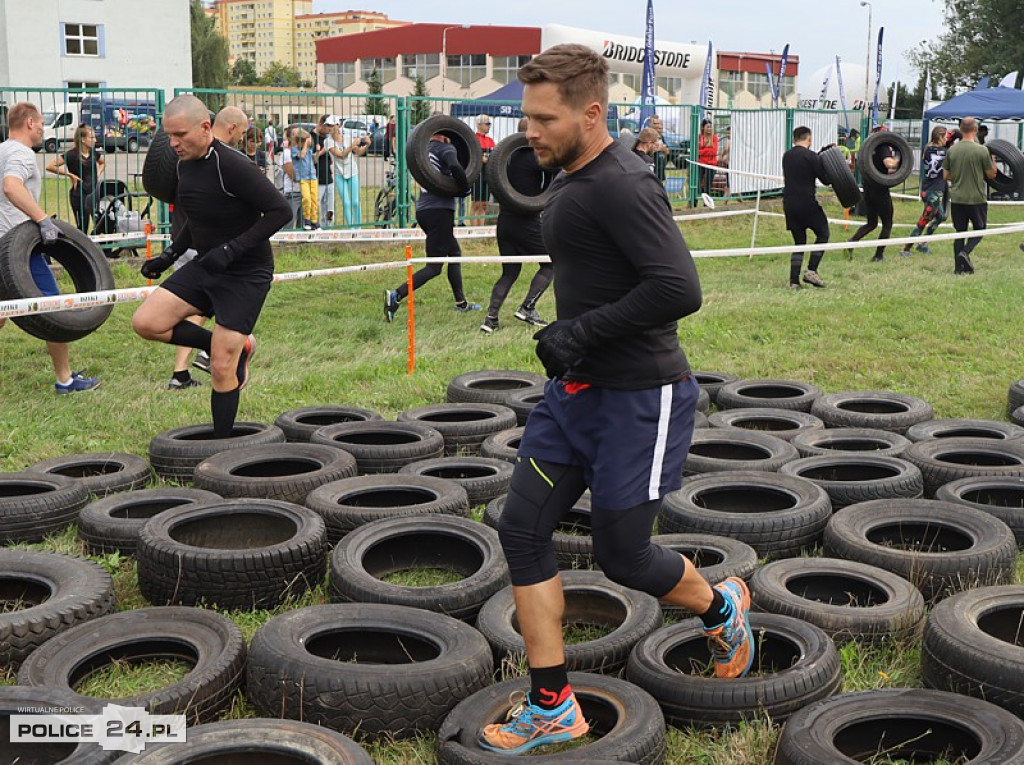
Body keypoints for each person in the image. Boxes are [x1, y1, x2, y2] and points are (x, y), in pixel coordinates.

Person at [478, 44, 751, 756]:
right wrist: (574, 344)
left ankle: (721, 606)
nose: (529, 131)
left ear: (591, 113)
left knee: (624, 557)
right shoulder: (573, 177)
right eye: (526, 116)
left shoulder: (624, 184)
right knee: (522, 530)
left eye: (544, 118)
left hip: (639, 400)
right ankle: (553, 706)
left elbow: (679, 288)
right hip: (573, 396)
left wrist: (581, 331)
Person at [131, 95, 291, 436]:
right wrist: (169, 255)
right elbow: (196, 217)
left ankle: (222, 448)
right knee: (146, 322)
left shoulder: (232, 165)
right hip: (207, 265)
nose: (173, 144)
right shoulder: (184, 164)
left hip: (245, 272)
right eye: (169, 136)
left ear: (205, 127)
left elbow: (281, 211)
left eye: (180, 135)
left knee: (221, 367)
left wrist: (232, 250)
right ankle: (227, 345)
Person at [0, 103, 101, 394]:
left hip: (2, 242)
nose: (44, 130)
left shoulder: (2, 150)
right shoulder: (21, 153)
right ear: (29, 123)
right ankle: (65, 380)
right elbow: (11, 186)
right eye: (42, 124)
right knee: (53, 308)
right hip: (17, 250)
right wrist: (42, 219)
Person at [165, 105, 251, 391]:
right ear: (232, 127)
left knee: (196, 311)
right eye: (242, 132)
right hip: (203, 247)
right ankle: (213, 352)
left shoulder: (196, 159)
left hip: (189, 242)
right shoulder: (204, 160)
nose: (242, 138)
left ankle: (183, 370)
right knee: (202, 310)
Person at [383, 125, 481, 321]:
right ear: (447, 132)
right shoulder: (446, 148)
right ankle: (396, 295)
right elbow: (456, 167)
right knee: (434, 267)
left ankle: (461, 303)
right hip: (440, 212)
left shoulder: (424, 150)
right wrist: (465, 189)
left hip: (424, 210)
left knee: (454, 254)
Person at [480, 117, 555, 334]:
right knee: (551, 263)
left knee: (510, 272)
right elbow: (559, 171)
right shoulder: (536, 157)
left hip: (504, 221)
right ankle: (527, 307)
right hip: (526, 220)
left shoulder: (504, 157)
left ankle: (490, 319)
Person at [943, 116, 996, 274]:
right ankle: (965, 253)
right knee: (980, 230)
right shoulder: (982, 150)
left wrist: (960, 176)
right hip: (976, 198)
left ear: (960, 129)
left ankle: (958, 269)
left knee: (960, 232)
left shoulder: (952, 150)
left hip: (957, 198)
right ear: (975, 130)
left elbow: (946, 175)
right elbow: (991, 174)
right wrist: (993, 160)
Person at [782, 127, 830, 290]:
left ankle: (794, 281)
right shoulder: (811, 157)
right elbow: (826, 179)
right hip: (807, 203)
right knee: (823, 233)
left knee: (799, 242)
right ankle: (811, 270)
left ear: (794, 139)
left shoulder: (787, 156)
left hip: (789, 203)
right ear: (809, 139)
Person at [847, 124, 899, 262]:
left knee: (872, 223)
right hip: (880, 190)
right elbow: (889, 164)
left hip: (868, 189)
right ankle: (878, 255)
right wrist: (898, 160)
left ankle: (852, 241)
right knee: (887, 224)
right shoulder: (883, 147)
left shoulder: (868, 147)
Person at [46, 125, 103, 234]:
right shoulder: (71, 154)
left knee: (100, 224)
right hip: (79, 195)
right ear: (83, 140)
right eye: (92, 137)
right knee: (83, 227)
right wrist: (69, 175)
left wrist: (98, 173)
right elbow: (50, 166)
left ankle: (93, 242)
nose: (95, 140)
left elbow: (102, 163)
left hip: (93, 194)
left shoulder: (93, 153)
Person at [902, 125, 949, 256]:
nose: (946, 139)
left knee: (941, 216)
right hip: (934, 192)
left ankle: (923, 243)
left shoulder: (927, 149)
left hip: (927, 189)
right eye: (945, 137)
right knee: (924, 221)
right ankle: (906, 249)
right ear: (939, 137)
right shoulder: (944, 153)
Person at [326, 119, 368, 226]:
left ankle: (358, 226)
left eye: (331, 125)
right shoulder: (328, 141)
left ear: (338, 125)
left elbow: (358, 152)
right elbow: (340, 155)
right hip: (339, 174)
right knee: (346, 202)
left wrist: (367, 145)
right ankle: (351, 227)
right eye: (328, 125)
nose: (329, 128)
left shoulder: (348, 138)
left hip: (352, 172)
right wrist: (352, 145)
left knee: (355, 202)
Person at [470, 114, 495, 226]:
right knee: (476, 203)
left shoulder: (490, 140)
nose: (489, 126)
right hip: (477, 173)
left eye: (489, 124)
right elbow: (471, 155)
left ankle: (481, 228)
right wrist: (480, 158)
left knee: (484, 204)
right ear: (479, 125)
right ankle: (474, 228)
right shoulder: (474, 139)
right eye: (487, 124)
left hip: (487, 173)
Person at [292, 125, 317, 229]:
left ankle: (314, 220)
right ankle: (307, 219)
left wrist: (318, 151)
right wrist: (306, 145)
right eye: (303, 141)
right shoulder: (294, 150)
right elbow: (301, 156)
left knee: (314, 200)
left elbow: (315, 160)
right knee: (306, 199)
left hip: (312, 176)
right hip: (303, 178)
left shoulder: (309, 150)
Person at [314, 115, 334, 227]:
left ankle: (328, 227)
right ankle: (315, 225)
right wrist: (320, 151)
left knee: (329, 207)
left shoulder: (328, 139)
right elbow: (312, 158)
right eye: (328, 127)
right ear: (321, 125)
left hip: (328, 176)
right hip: (316, 178)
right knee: (316, 204)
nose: (329, 130)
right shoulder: (311, 138)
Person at [697, 119, 718, 200]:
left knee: (708, 185)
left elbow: (714, 151)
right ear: (703, 127)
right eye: (707, 127)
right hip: (700, 163)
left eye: (710, 127)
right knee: (697, 183)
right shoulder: (699, 137)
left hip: (711, 164)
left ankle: (707, 202)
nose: (709, 129)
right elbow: (696, 151)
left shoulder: (714, 137)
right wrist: (707, 149)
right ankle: (694, 201)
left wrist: (702, 150)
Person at [647, 114, 670, 181]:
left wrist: (665, 150)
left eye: (658, 123)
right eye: (654, 123)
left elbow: (667, 150)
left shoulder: (660, 136)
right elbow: (646, 149)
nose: (656, 125)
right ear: (650, 124)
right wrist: (660, 149)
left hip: (660, 166)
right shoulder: (646, 134)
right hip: (651, 165)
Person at [718, 125, 731, 197]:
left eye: (729, 133)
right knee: (729, 181)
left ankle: (725, 198)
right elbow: (724, 150)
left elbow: (725, 150)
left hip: (732, 164)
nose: (728, 135)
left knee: (729, 182)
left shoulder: (729, 141)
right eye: (727, 133)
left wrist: (721, 156)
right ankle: (739, 197)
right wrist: (721, 157)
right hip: (729, 164)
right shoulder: (728, 141)